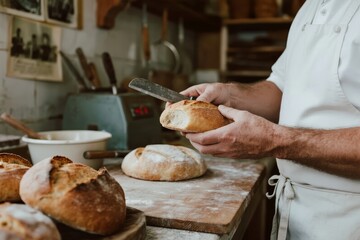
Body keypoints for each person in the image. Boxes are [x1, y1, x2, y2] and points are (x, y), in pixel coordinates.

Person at [179, 0, 360, 239]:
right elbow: (281, 88)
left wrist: (276, 141)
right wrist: (229, 94)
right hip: (296, 209)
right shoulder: (310, 7)